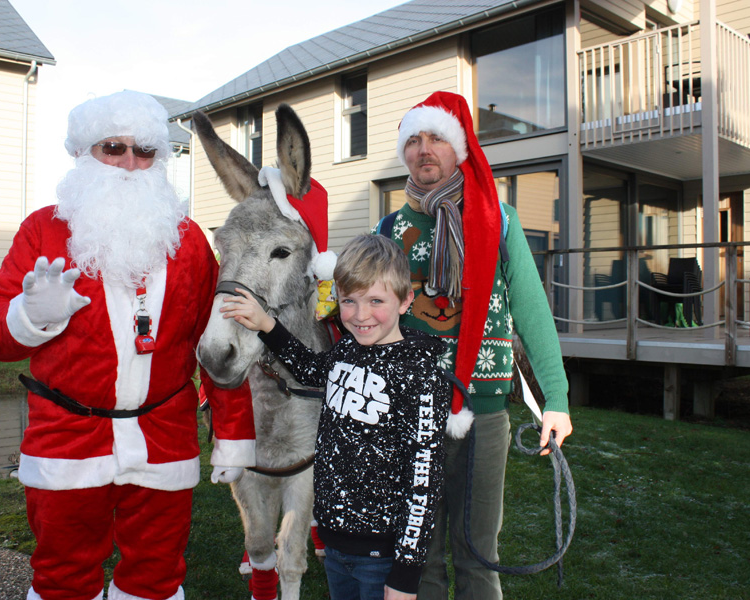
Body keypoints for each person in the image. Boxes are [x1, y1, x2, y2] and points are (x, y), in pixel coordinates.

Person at [0, 90, 255, 600]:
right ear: (85, 153)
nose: (130, 163)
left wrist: (233, 433)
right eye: (113, 148)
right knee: (63, 579)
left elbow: (219, 347)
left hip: (163, 438)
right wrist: (29, 316)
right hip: (67, 442)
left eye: (145, 151)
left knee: (155, 578)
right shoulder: (43, 230)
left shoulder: (188, 240)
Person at [375, 91, 573, 600]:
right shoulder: (387, 231)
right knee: (418, 559)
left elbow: (531, 310)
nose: (424, 150)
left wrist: (556, 399)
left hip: (484, 414)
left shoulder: (497, 221)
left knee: (479, 557)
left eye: (436, 138)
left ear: (458, 148)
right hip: (409, 412)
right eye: (414, 140)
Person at [221, 234, 453, 600]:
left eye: (376, 301)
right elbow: (312, 369)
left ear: (406, 299)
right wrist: (266, 324)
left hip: (381, 555)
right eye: (349, 301)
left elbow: (423, 483)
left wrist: (405, 576)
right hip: (336, 547)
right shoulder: (348, 348)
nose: (361, 316)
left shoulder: (420, 377)